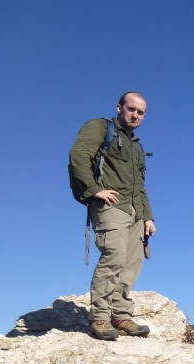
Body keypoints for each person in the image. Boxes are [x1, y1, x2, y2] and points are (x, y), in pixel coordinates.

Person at [69, 92, 156, 340]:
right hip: (111, 206)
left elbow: (140, 184)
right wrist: (95, 190)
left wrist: (148, 217)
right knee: (114, 257)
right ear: (119, 108)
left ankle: (121, 314)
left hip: (135, 211)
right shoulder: (99, 127)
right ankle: (100, 317)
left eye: (140, 112)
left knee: (131, 263)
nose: (135, 115)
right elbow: (78, 157)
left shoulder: (137, 146)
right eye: (131, 109)